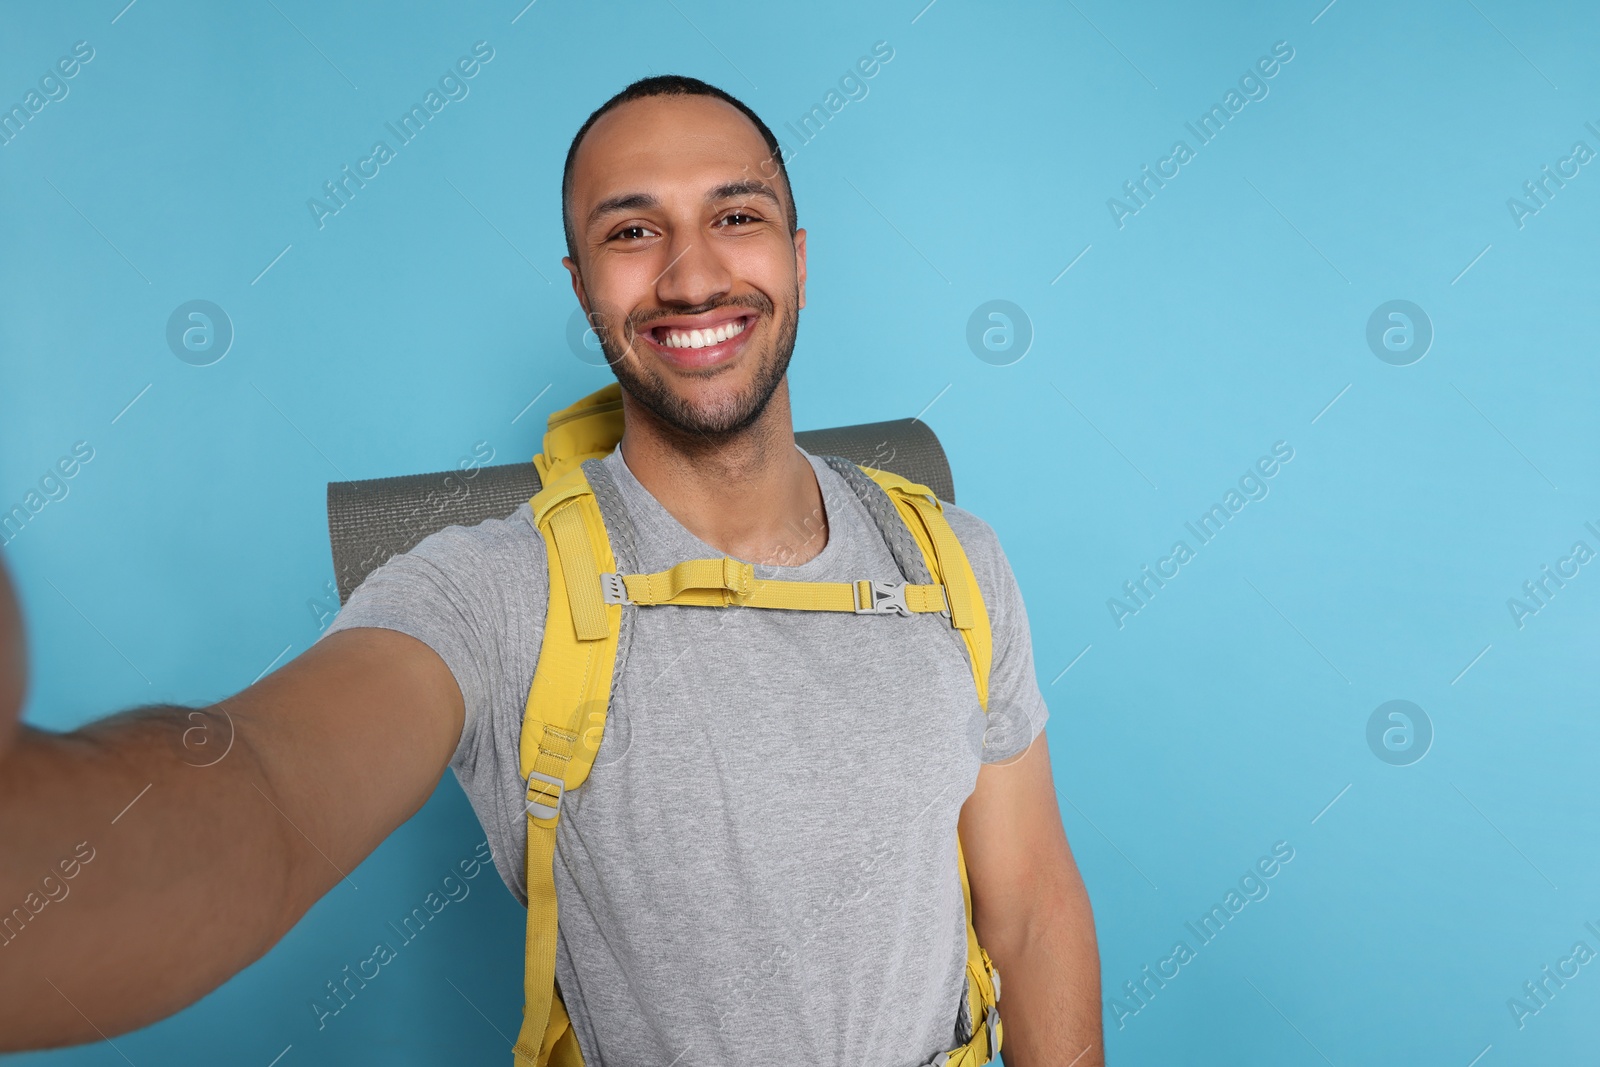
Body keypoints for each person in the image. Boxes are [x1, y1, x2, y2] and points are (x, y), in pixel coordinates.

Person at [0, 75, 1102, 1065]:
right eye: (634, 230)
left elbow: (1033, 907)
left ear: (798, 259)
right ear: (582, 286)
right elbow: (271, 799)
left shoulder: (954, 560)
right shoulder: (491, 591)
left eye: (736, 215)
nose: (694, 271)